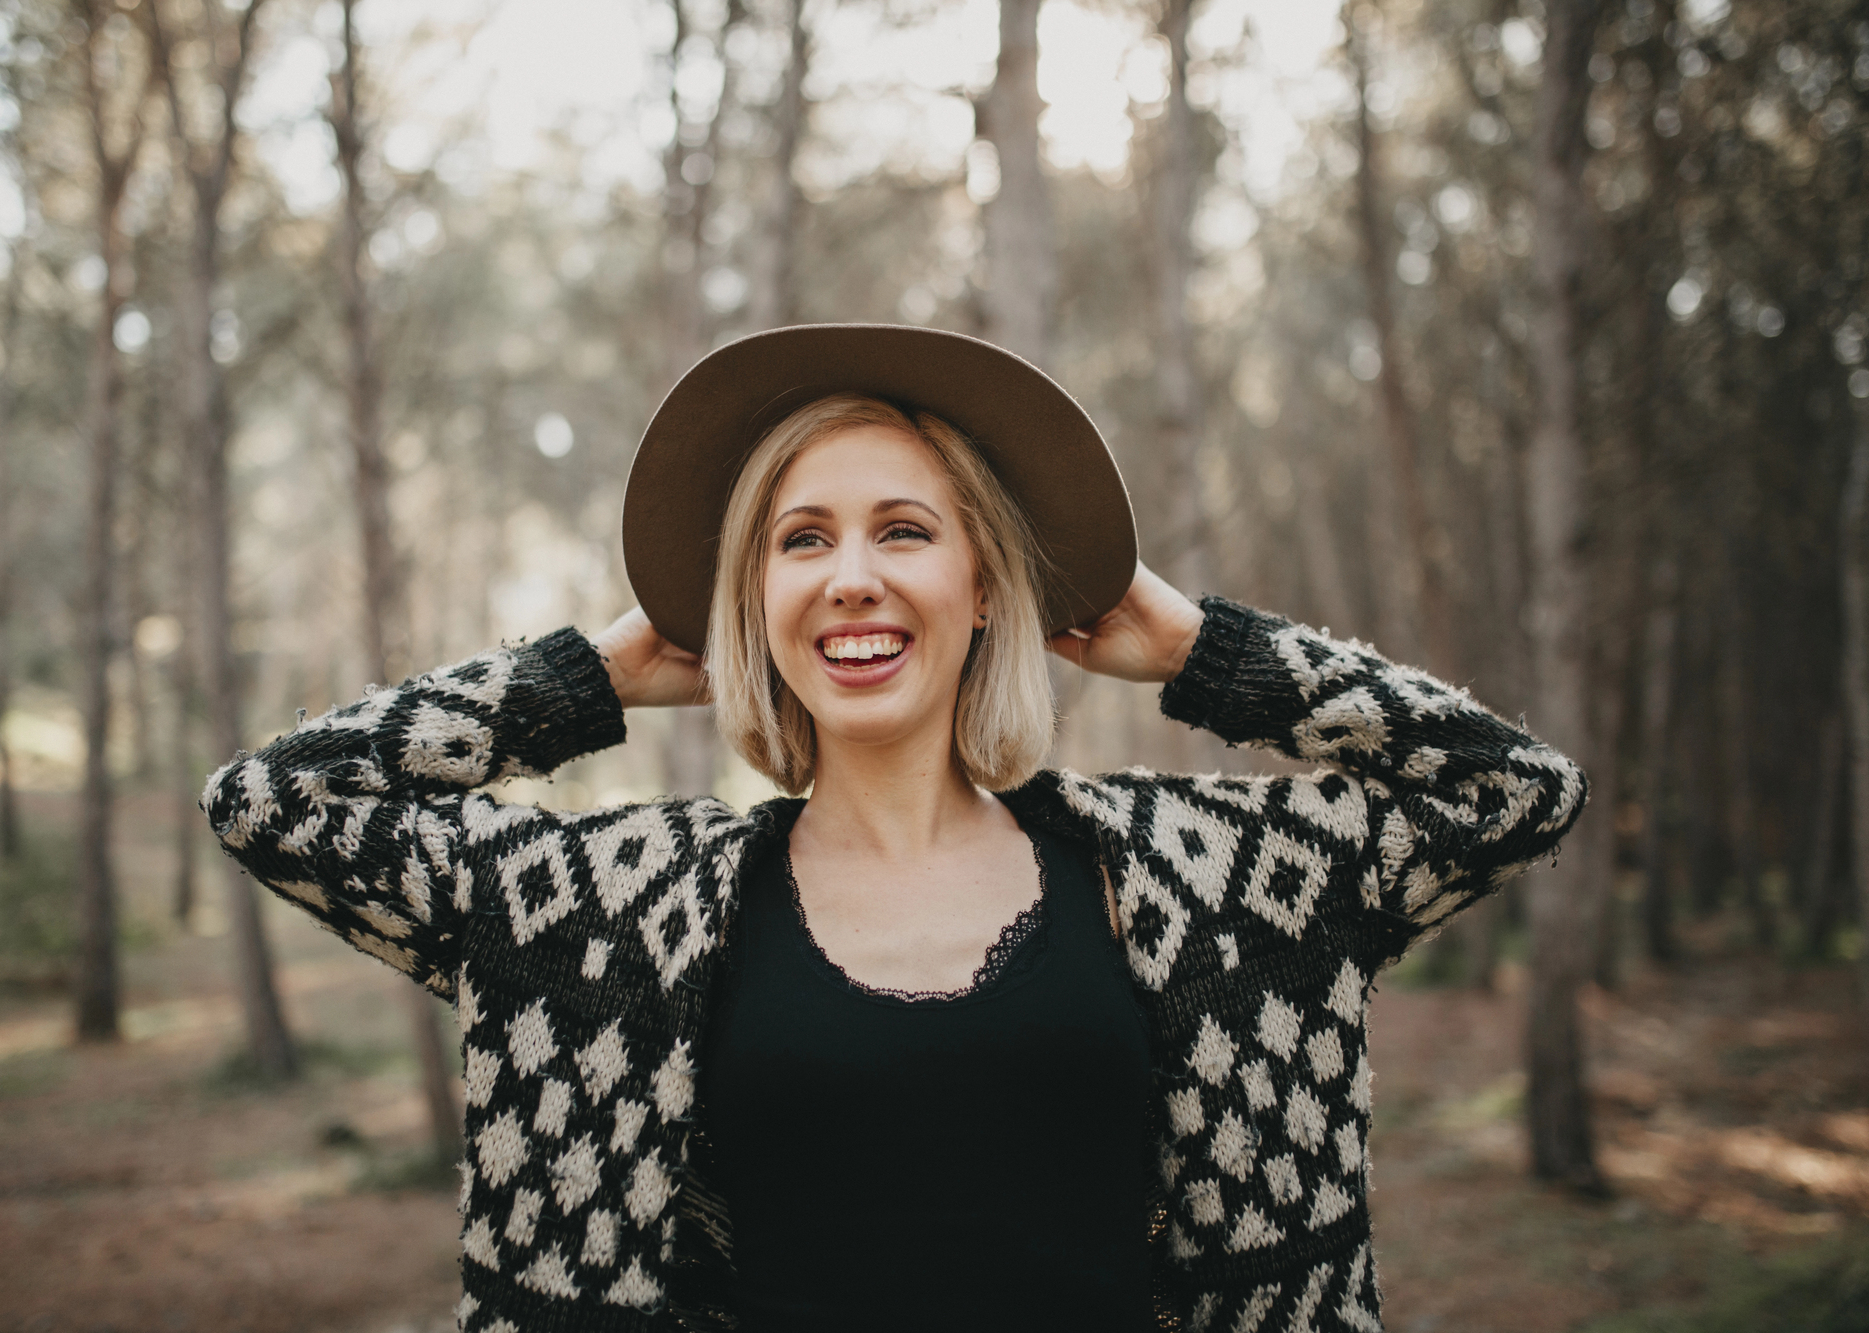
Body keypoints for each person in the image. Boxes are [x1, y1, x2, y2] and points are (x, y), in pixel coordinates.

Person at [205, 324, 1585, 1333]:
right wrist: (596, 672)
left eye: (904, 530)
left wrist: (1201, 648)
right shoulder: (621, 903)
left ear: (983, 584)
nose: (851, 577)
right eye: (798, 541)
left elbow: (1509, 791)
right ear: (750, 602)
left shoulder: (1195, 874)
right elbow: (276, 804)